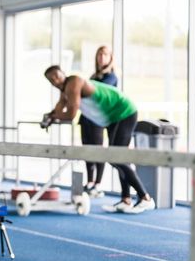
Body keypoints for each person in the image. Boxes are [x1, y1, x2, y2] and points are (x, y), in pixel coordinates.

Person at [42, 65, 155, 214]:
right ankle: (126, 199)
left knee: (116, 157)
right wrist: (50, 116)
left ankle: (145, 197)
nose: (55, 80)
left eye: (56, 76)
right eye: (51, 80)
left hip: (124, 111)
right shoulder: (65, 91)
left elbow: (70, 115)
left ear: (63, 73)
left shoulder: (74, 82)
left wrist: (53, 117)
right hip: (112, 117)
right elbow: (58, 109)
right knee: (118, 158)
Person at [80, 46, 117, 198]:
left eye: (105, 55)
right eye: (99, 54)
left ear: (110, 58)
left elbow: (98, 94)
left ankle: (97, 183)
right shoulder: (93, 76)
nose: (101, 57)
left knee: (98, 150)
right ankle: (89, 181)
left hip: (98, 119)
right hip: (86, 118)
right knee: (87, 149)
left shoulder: (112, 77)